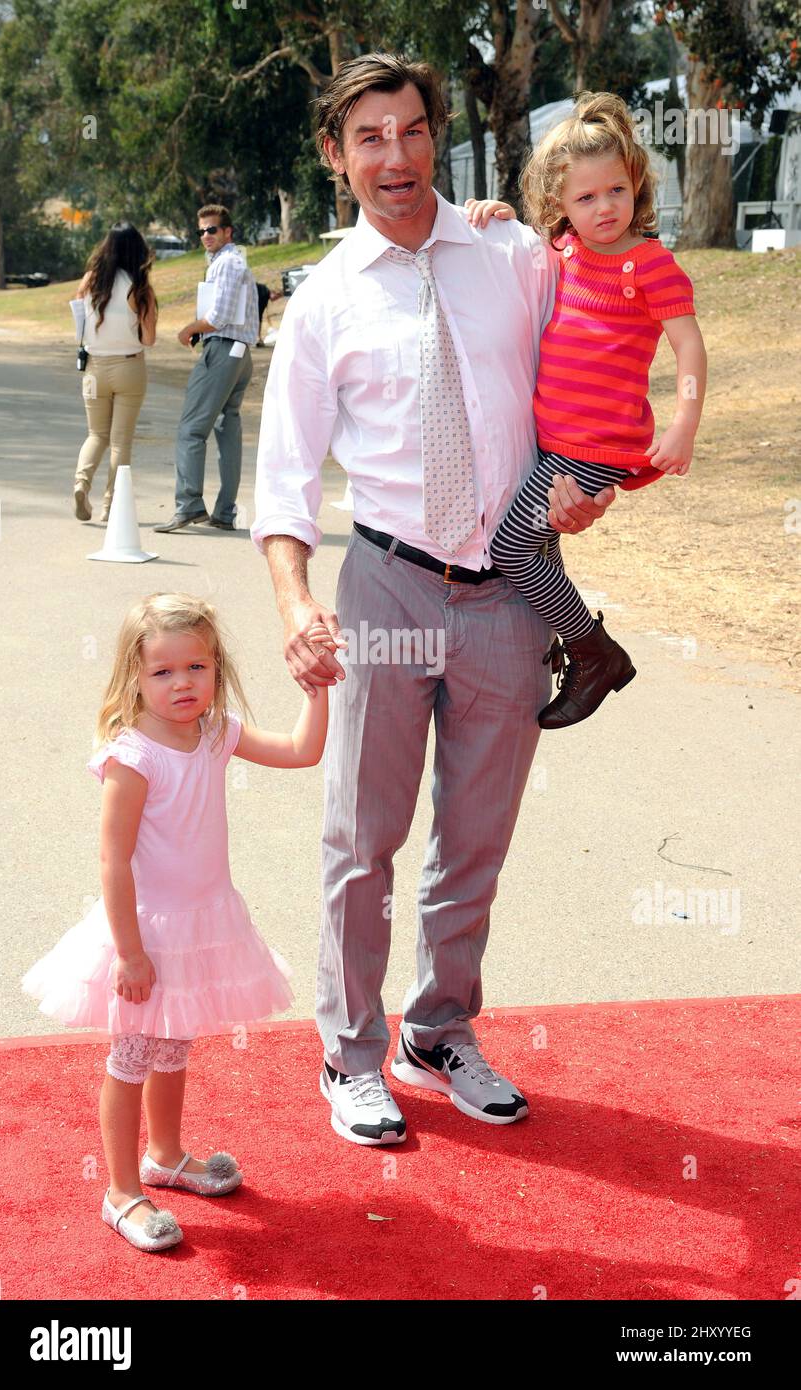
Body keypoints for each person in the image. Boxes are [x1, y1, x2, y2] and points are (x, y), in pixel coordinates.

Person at [251, 53, 616, 1148]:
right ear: (335, 155)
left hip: (508, 592)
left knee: (475, 834)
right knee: (362, 836)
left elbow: (594, 348)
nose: (395, 158)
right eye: (369, 138)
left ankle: (438, 1028)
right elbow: (281, 486)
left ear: (435, 138)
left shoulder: (511, 254)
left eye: (411, 132)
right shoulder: (320, 303)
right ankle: (350, 1053)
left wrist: (586, 480)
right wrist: (292, 603)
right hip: (383, 581)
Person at [21, 593, 327, 1253]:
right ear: (134, 676)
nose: (183, 682)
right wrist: (130, 955)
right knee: (131, 1056)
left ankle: (164, 1155)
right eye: (162, 672)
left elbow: (303, 751)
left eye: (197, 666)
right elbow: (113, 861)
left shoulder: (216, 733)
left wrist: (317, 689)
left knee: (174, 1044)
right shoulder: (131, 756)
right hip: (144, 933)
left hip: (201, 925)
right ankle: (121, 1192)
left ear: (217, 669)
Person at [467, 91, 707, 729]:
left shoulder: (651, 265)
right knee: (537, 547)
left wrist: (684, 423)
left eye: (617, 192)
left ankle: (593, 652)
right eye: (585, 198)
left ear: (637, 187)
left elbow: (689, 348)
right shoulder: (565, 251)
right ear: (559, 206)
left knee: (513, 550)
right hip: (555, 443)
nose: (604, 208)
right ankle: (561, 642)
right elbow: (521, 254)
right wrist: (497, 214)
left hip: (597, 446)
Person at [155, 206, 256, 533]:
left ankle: (189, 505)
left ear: (228, 231)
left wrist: (189, 328)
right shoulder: (232, 261)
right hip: (240, 354)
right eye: (201, 231)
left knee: (191, 429)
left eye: (212, 230)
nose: (205, 237)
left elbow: (220, 316)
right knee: (229, 432)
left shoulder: (227, 262)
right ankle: (224, 512)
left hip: (224, 350)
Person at [73, 222, 158, 524]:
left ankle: (81, 484)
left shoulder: (90, 281)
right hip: (128, 367)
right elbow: (149, 339)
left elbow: (78, 324)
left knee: (96, 434)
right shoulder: (140, 286)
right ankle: (111, 505)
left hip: (94, 367)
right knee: (121, 441)